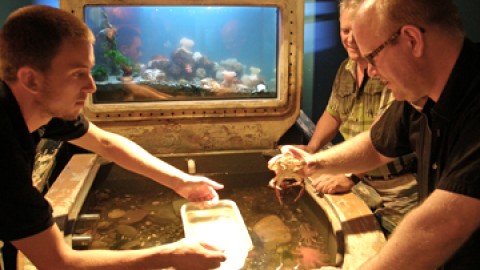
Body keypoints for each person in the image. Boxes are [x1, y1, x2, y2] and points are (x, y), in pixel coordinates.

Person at [0, 5, 226, 270]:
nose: (92, 86)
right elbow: (58, 262)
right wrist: (170, 255)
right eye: (77, 74)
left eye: (89, 70)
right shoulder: (4, 157)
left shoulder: (41, 106)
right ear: (31, 80)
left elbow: (105, 142)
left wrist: (181, 181)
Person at [271, 0, 480, 269]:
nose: (370, 70)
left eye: (373, 56)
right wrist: (309, 163)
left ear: (412, 40)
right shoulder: (419, 95)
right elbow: (375, 145)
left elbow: (442, 225)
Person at [296, 0, 418, 234]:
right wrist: (311, 148)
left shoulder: (391, 71)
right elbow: (333, 113)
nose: (350, 39)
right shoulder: (346, 68)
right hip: (360, 176)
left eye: (356, 30)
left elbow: (379, 139)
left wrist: (350, 175)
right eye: (344, 30)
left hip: (396, 189)